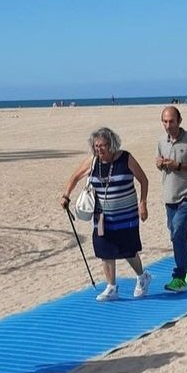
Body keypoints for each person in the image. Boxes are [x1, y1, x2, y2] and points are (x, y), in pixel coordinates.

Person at [61, 127, 150, 302]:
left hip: (126, 215)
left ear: (112, 144)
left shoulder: (125, 158)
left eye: (103, 145)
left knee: (128, 249)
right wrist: (66, 195)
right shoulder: (93, 162)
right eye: (96, 146)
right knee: (104, 249)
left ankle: (142, 276)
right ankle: (111, 287)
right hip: (101, 216)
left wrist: (143, 203)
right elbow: (75, 177)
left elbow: (143, 180)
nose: (99, 149)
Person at [155, 106, 187, 292]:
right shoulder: (161, 141)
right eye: (165, 121)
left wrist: (178, 165)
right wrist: (160, 164)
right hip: (170, 196)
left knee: (177, 232)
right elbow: (159, 163)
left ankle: (179, 276)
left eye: (171, 121)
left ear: (179, 121)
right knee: (177, 236)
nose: (168, 125)